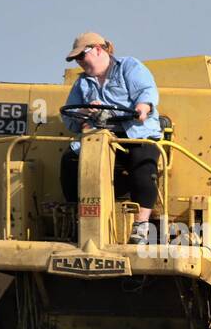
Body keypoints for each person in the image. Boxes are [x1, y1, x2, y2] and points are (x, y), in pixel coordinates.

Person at [59, 32, 161, 245]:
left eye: (81, 56)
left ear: (97, 49)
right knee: (70, 160)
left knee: (143, 161)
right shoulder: (82, 84)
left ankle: (141, 225)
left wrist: (143, 107)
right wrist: (85, 111)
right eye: (76, 60)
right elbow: (69, 120)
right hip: (100, 136)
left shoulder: (129, 67)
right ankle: (77, 220)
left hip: (135, 132)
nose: (79, 62)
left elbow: (146, 91)